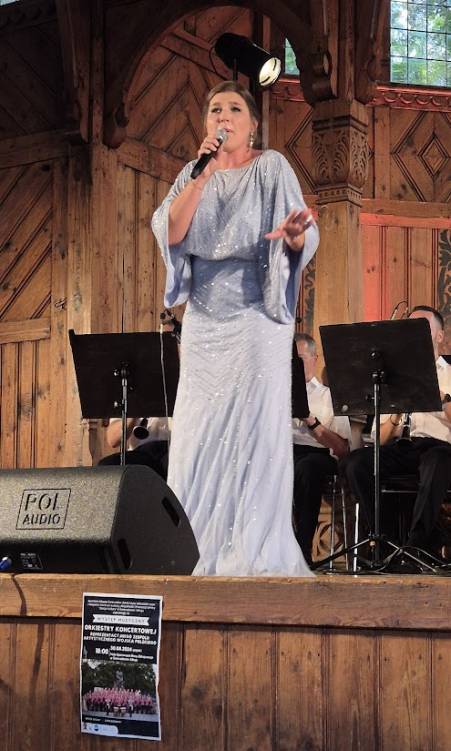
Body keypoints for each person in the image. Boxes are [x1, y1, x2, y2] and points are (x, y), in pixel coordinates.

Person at [151, 80, 319, 576]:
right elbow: (171, 231)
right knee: (196, 434)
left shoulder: (272, 166)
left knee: (252, 433)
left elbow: (301, 232)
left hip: (256, 317)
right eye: (215, 110)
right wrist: (200, 178)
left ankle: (253, 550)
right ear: (206, 124)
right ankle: (193, 547)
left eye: (234, 109)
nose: (223, 116)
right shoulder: (192, 173)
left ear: (252, 125)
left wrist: (295, 237)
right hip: (204, 320)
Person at [344, 305, 451, 555]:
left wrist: (441, 398)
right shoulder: (394, 379)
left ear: (440, 336)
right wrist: (397, 413)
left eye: (421, 328)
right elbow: (379, 440)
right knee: (356, 463)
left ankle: (416, 546)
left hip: (441, 449)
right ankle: (387, 541)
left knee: (436, 460)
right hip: (404, 446)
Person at [292, 333, 351, 565]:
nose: (295, 365)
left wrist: (310, 419)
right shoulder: (274, 395)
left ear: (315, 359)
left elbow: (342, 448)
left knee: (307, 468)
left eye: (300, 358)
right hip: (283, 452)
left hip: (317, 454)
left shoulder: (328, 396)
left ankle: (302, 549)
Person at [98, 417, 170, 479]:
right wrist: (132, 416)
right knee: (106, 468)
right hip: (142, 454)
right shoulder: (128, 404)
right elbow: (112, 440)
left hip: (171, 449)